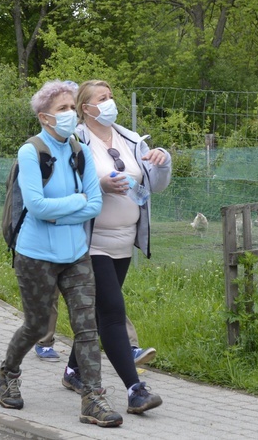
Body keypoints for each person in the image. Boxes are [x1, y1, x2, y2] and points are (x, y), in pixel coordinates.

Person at [0, 80, 123, 427]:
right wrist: (74, 204)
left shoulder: (79, 150)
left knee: (87, 326)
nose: (69, 114)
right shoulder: (30, 151)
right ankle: (7, 372)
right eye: (63, 109)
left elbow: (94, 203)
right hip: (36, 255)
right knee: (36, 325)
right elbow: (35, 206)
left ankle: (93, 398)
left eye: (71, 108)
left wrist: (62, 209)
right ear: (45, 117)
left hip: (76, 253)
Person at [60, 79, 170, 415]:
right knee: (112, 312)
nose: (109, 103)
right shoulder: (75, 140)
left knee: (96, 312)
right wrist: (101, 185)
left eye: (111, 97)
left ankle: (73, 370)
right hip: (90, 242)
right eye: (102, 98)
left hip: (124, 240)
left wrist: (162, 162)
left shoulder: (131, 139)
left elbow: (156, 186)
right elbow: (65, 184)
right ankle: (135, 390)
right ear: (85, 108)